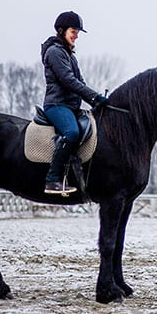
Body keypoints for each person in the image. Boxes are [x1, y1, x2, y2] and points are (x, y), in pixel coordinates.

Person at [40, 11, 109, 195]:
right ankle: (52, 179)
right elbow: (69, 81)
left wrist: (95, 101)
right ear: (61, 30)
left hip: (70, 106)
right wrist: (94, 97)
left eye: (78, 32)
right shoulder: (55, 52)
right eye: (74, 31)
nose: (76, 35)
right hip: (56, 105)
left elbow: (81, 83)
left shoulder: (69, 54)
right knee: (72, 133)